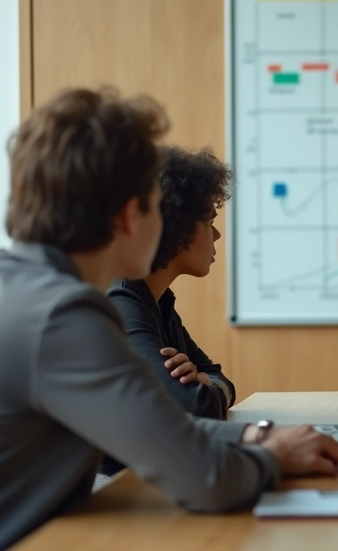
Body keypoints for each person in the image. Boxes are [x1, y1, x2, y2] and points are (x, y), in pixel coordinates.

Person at [0, 88, 338, 551]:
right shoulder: (59, 314)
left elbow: (153, 428)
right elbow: (208, 480)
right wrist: (273, 456)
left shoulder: (2, 281)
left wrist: (258, 433)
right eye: (158, 204)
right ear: (129, 215)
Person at [101, 146, 235, 477]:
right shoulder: (122, 302)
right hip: (112, 490)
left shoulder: (158, 300)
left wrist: (207, 383)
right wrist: (206, 388)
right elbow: (194, 406)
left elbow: (219, 377)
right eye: (208, 222)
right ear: (176, 228)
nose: (216, 234)